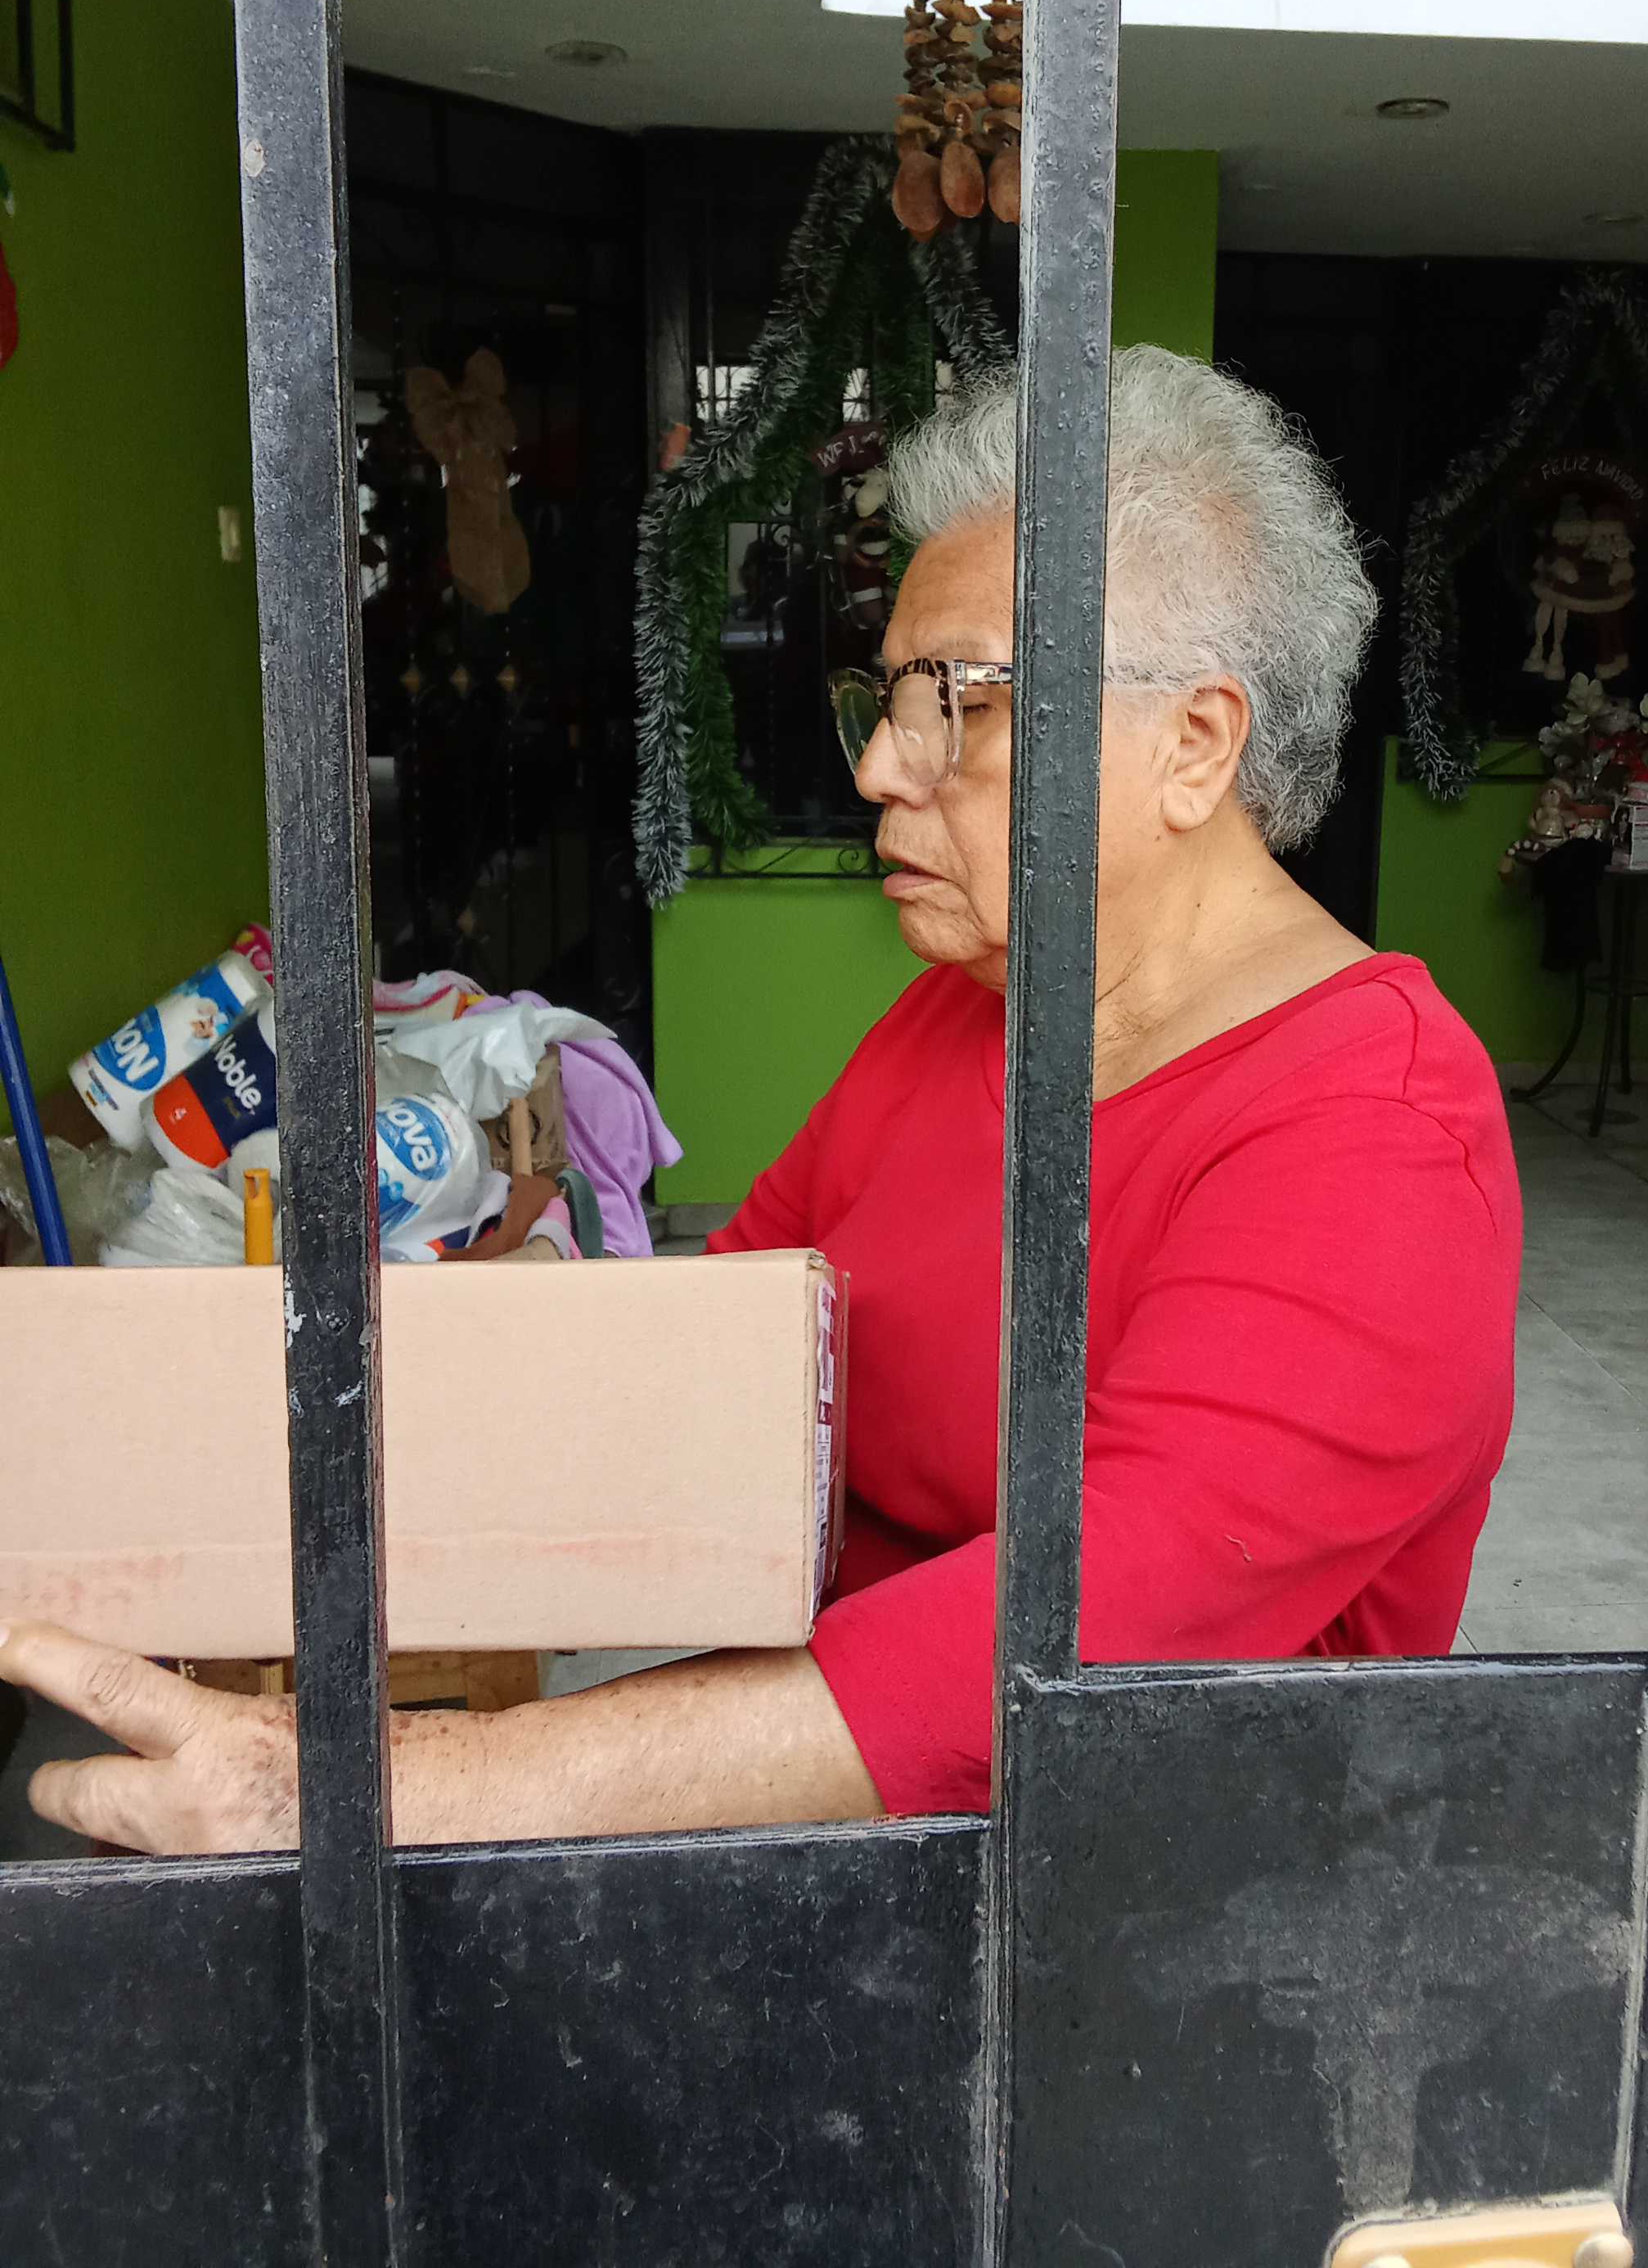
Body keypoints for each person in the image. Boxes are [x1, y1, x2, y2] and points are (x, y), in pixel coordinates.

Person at [0, 347, 1520, 1853]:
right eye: (887, 701)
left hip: (1140, 1893)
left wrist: (368, 1784)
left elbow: (1070, 1639)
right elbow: (718, 1342)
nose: (880, 770)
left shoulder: (1377, 1133)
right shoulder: (972, 1006)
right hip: (857, 1840)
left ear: (1193, 744)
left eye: (957, 704)